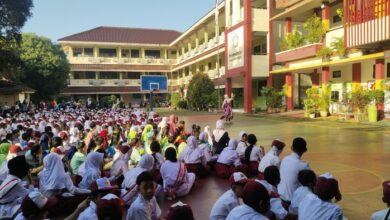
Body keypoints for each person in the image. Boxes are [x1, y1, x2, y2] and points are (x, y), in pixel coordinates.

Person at [278, 137, 309, 203]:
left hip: (280, 195)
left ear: (292, 147)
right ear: (305, 150)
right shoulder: (303, 165)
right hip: (291, 200)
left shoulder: (284, 159)